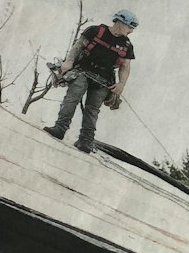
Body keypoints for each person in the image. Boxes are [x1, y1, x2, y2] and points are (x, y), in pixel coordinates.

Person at [43, 9, 138, 153]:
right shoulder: (95, 31)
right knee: (72, 98)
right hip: (83, 71)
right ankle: (60, 128)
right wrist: (68, 62)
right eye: (130, 27)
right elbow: (78, 46)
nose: (131, 31)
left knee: (92, 110)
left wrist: (121, 84)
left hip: (103, 80)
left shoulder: (126, 45)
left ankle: (86, 141)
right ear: (121, 22)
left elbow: (125, 65)